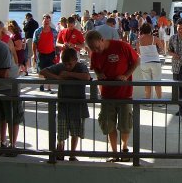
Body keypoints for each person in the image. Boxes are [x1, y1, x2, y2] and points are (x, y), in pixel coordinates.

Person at [85, 30, 139, 162]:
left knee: (125, 123)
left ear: (102, 40)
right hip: (106, 94)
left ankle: (124, 148)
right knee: (109, 124)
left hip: (124, 93)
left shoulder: (122, 46)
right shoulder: (95, 54)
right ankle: (114, 152)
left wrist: (126, 75)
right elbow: (95, 67)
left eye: (97, 47)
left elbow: (136, 61)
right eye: (92, 48)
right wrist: (99, 73)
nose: (96, 50)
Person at [40, 48, 90, 161]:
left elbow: (86, 77)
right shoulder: (60, 66)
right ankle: (60, 150)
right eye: (65, 64)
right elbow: (43, 71)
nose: (67, 66)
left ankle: (72, 153)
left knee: (75, 132)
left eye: (70, 64)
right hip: (63, 104)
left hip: (78, 105)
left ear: (76, 60)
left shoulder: (81, 66)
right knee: (61, 131)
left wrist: (69, 74)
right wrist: (58, 78)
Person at [136, 23, 164, 103]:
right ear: (150, 30)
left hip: (144, 62)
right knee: (157, 83)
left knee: (147, 83)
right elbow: (162, 49)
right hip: (155, 61)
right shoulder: (155, 38)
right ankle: (160, 102)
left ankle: (148, 102)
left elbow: (138, 52)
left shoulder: (139, 40)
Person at [33, 14, 58, 92]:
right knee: (41, 70)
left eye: (48, 21)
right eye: (45, 20)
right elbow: (34, 43)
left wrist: (57, 54)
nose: (46, 22)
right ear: (42, 21)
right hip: (41, 54)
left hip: (51, 53)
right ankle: (41, 84)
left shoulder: (54, 31)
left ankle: (49, 86)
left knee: (50, 70)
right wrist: (34, 54)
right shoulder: (38, 31)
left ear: (50, 22)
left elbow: (56, 43)